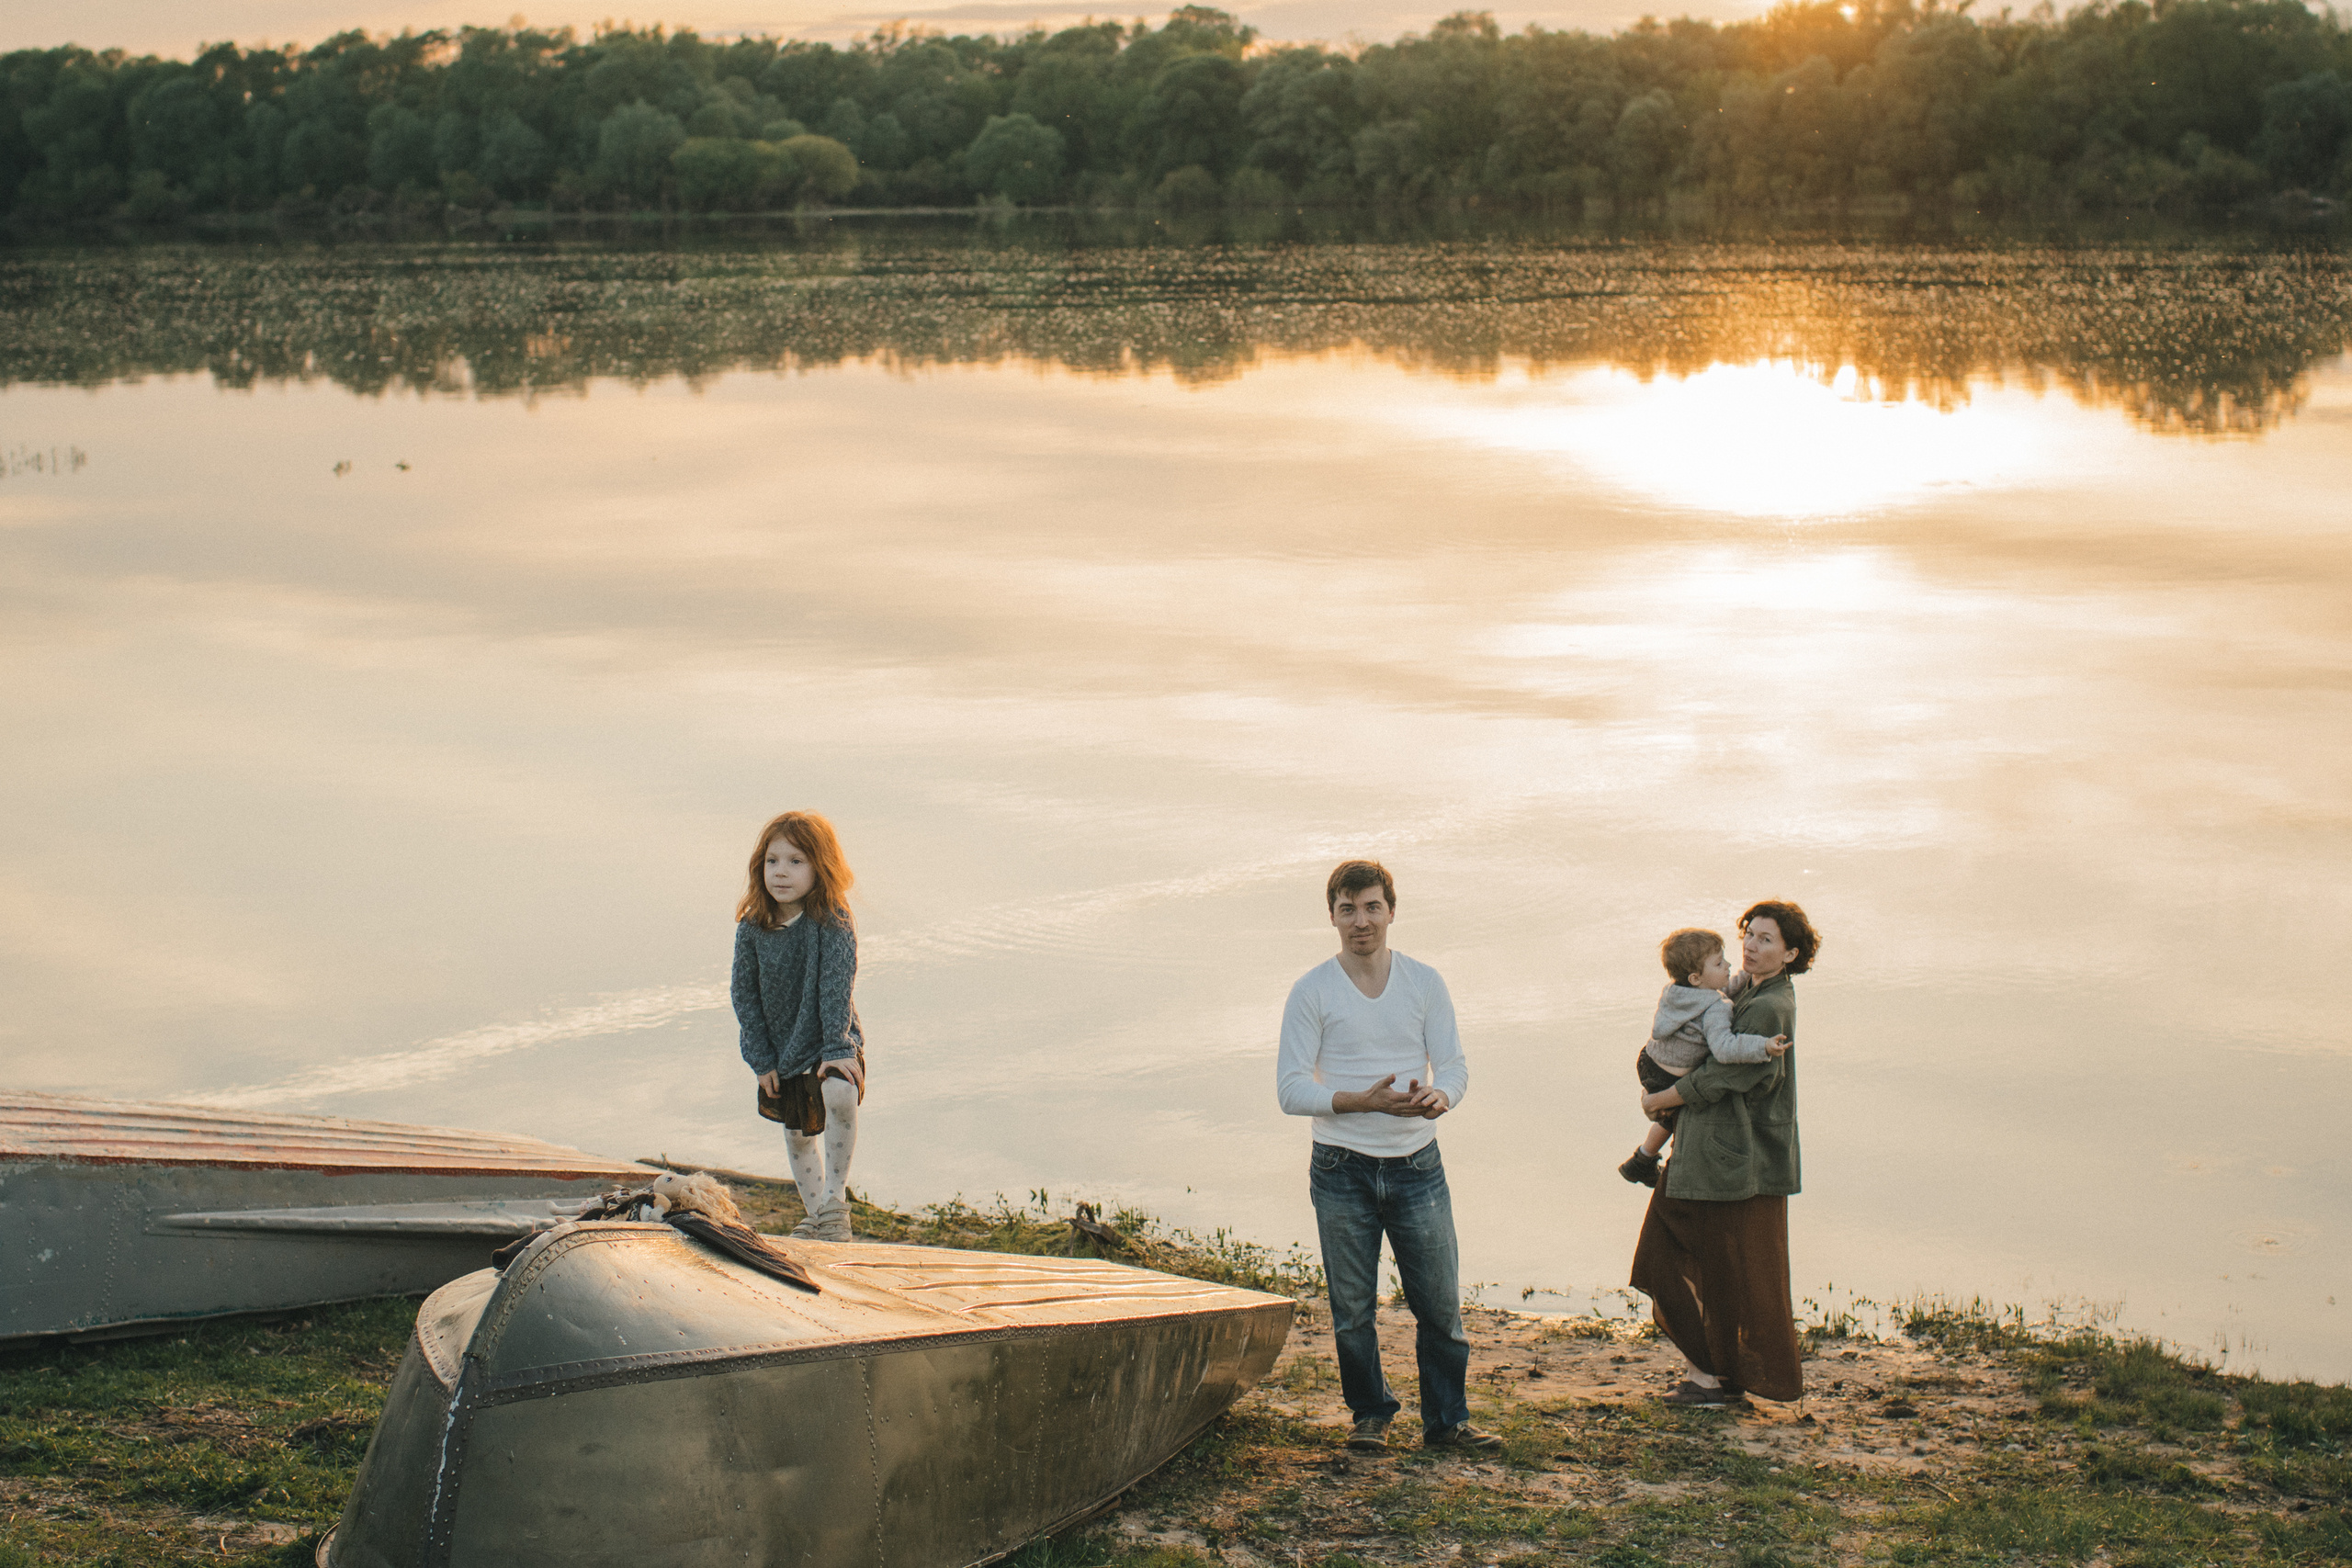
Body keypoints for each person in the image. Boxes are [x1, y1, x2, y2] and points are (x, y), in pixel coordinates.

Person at [1276, 860, 1501, 1455]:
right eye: (1348, 909)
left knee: (1440, 1305)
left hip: (1416, 1165)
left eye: (1372, 906)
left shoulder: (1424, 981)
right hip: (1339, 1167)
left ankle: (1447, 1421)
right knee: (1352, 1308)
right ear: (1332, 915)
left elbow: (1452, 1064)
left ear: (1391, 910)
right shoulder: (1312, 989)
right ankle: (1370, 1413)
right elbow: (1291, 1089)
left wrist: (1440, 1095)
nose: (1361, 920)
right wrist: (1359, 1101)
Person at [1628, 900, 1819, 1407]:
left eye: (1766, 940)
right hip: (1726, 1153)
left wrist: (1659, 1100)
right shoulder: (1744, 990)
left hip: (1727, 1156)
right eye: (1749, 936)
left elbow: (1730, 1074)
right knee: (1725, 1267)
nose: (1751, 947)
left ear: (1790, 953)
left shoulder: (1770, 1005)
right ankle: (1717, 1375)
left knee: (1670, 1256)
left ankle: (1709, 1379)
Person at [729, 810, 867, 1242]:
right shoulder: (753, 927)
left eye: (796, 861)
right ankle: (817, 1217)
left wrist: (837, 1049)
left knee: (839, 1092)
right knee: (796, 1133)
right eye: (773, 861)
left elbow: (835, 986)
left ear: (819, 868)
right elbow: (744, 995)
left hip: (831, 1036)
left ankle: (834, 1204)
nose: (781, 872)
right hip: (780, 1048)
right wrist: (761, 1059)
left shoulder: (832, 920)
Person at [1618, 928, 1787, 1188]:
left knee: (1669, 1115)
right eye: (1719, 963)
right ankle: (1642, 1160)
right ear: (1696, 977)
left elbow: (1718, 989)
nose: (1728, 965)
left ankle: (1642, 1159)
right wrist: (1762, 1046)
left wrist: (1746, 975)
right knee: (1673, 1113)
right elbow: (1725, 1048)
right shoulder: (1716, 1008)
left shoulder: (1677, 991)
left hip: (1649, 1059)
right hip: (1672, 1071)